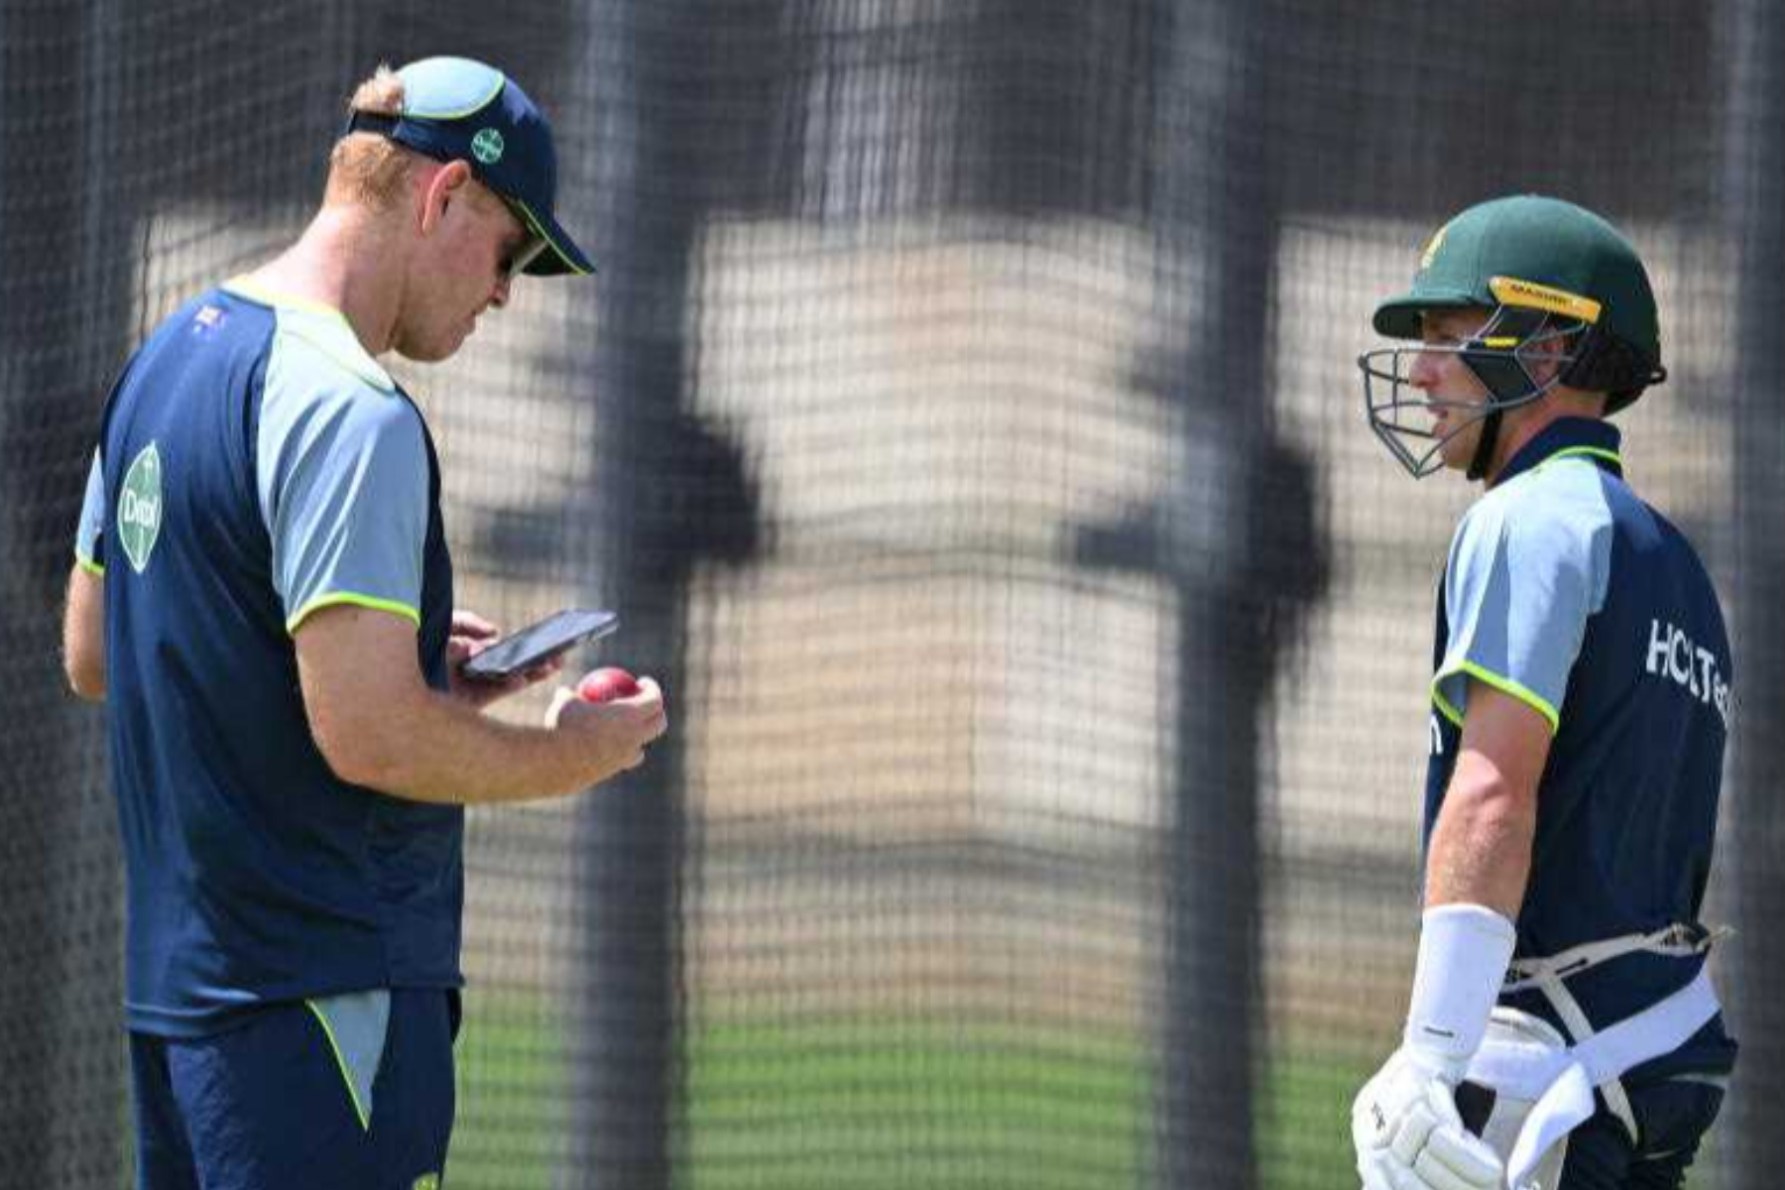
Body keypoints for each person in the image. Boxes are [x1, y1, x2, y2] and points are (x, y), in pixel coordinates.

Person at [60, 56, 667, 1190]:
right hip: (323, 1014)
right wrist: (568, 754)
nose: (504, 293)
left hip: (178, 1009)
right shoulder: (352, 408)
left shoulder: (165, 359)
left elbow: (98, 650)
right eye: (510, 250)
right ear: (443, 198)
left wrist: (374, 657)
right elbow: (370, 738)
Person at [1348, 195, 1736, 1190]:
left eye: (1449, 333)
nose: (1424, 369)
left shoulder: (1527, 519)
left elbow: (1493, 792)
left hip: (1543, 1054)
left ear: (1550, 347)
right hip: (1664, 1043)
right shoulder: (1677, 564)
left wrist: (1432, 1053)